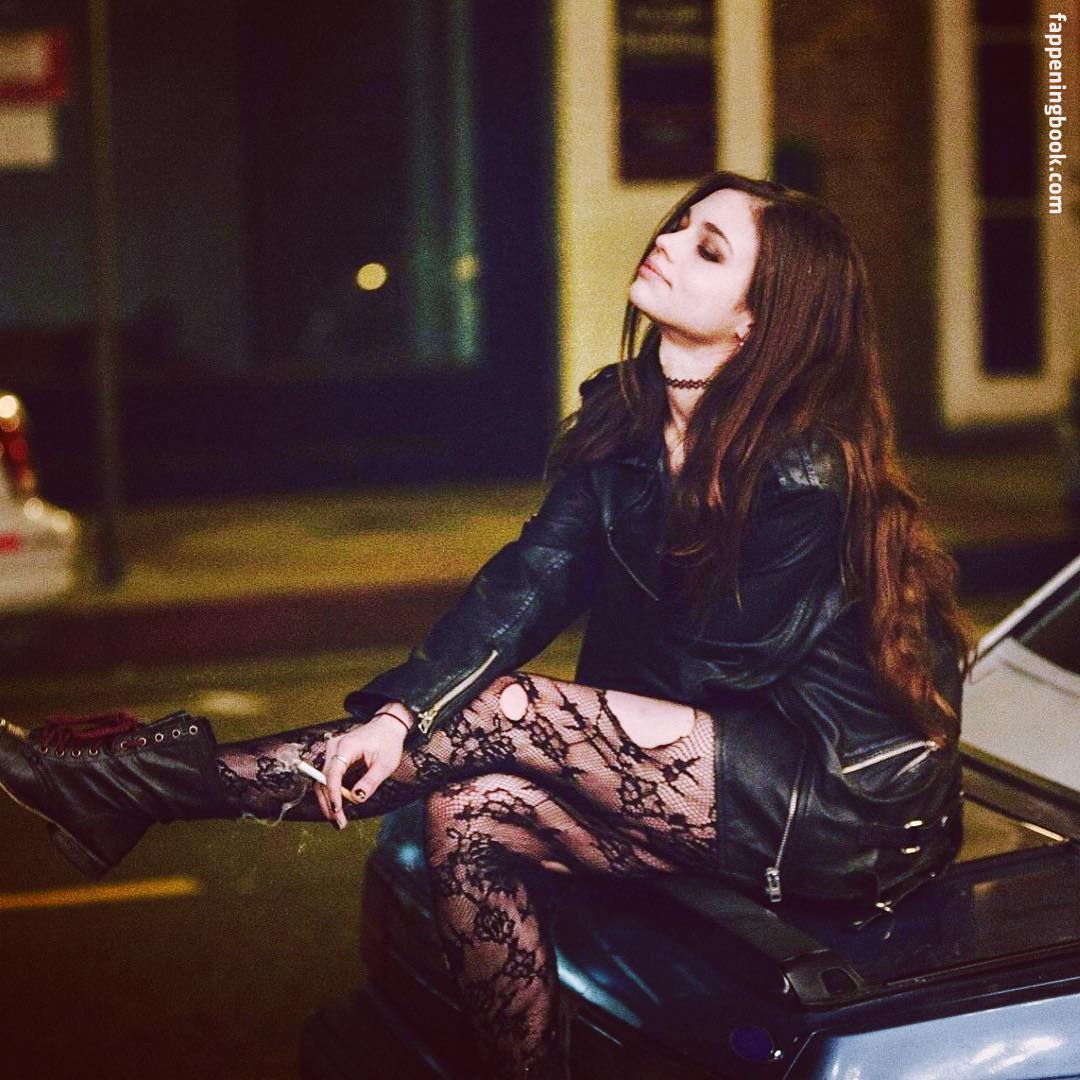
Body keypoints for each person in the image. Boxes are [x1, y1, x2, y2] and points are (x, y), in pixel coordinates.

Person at [0, 172, 970, 1079]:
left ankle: (147, 785)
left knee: (511, 713)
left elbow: (712, 666)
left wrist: (528, 733)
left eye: (708, 249)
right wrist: (399, 716)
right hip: (717, 758)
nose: (670, 241)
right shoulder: (630, 421)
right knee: (465, 814)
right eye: (681, 223)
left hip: (836, 798)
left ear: (756, 320)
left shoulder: (804, 474)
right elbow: (531, 578)